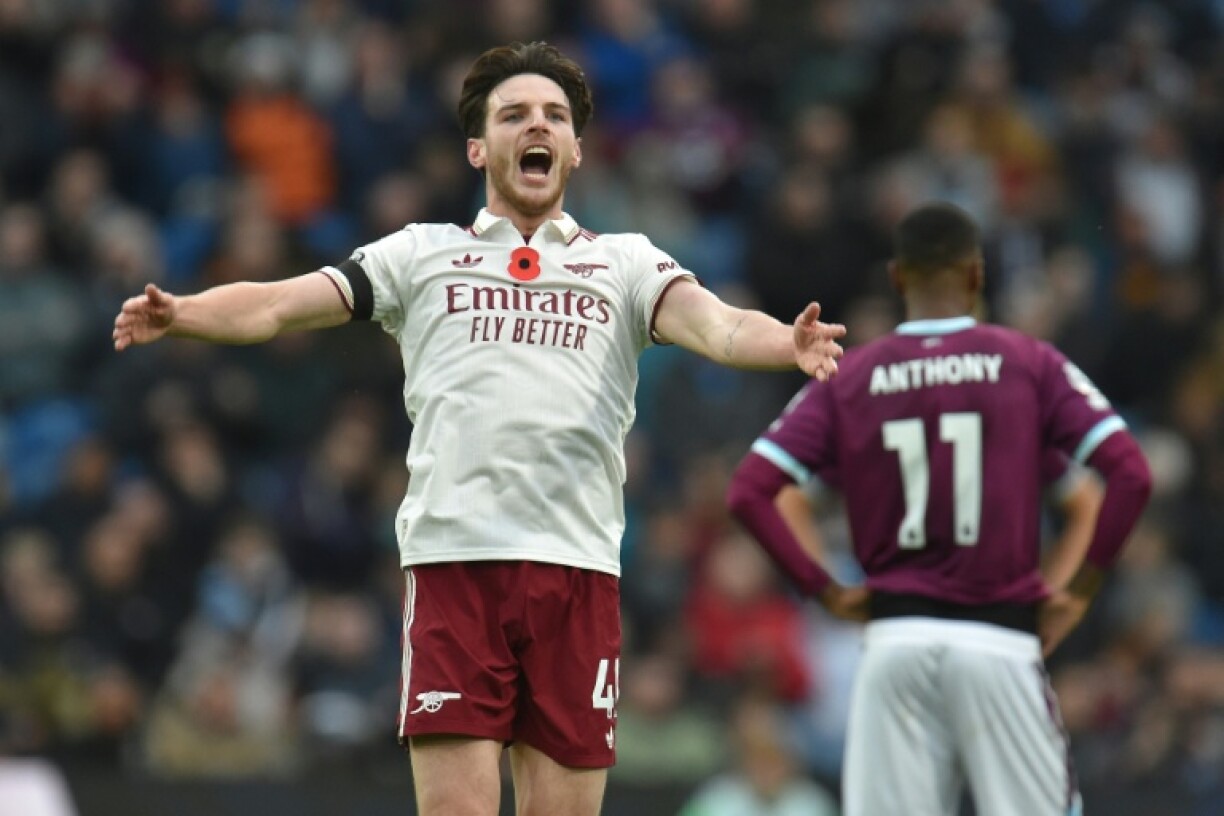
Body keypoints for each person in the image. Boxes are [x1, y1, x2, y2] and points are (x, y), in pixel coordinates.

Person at [112, 41, 846, 816]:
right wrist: (183, 312)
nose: (538, 126)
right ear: (477, 146)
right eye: (514, 114)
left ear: (576, 150)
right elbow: (276, 305)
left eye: (555, 115)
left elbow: (721, 327)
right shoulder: (420, 255)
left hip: (576, 571)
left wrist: (786, 342)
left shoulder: (627, 264)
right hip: (456, 566)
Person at [726, 202, 1152, 816]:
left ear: (898, 276)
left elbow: (750, 489)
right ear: (976, 274)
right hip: (998, 636)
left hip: (895, 639)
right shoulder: (1028, 363)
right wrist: (1077, 592)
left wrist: (826, 591)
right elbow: (1130, 474)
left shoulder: (854, 377)